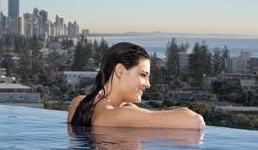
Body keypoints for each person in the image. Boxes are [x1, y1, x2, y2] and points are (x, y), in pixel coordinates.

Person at [67, 42, 205, 129]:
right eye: (143, 75)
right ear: (120, 71)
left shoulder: (78, 103)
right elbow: (195, 121)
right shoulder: (117, 115)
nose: (148, 84)